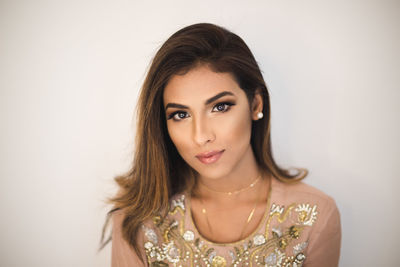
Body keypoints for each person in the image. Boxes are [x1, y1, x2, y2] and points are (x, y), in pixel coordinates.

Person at [105, 23, 341, 267]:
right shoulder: (138, 219)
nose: (201, 136)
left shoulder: (313, 216)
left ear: (256, 104)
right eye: (181, 115)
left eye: (220, 107)